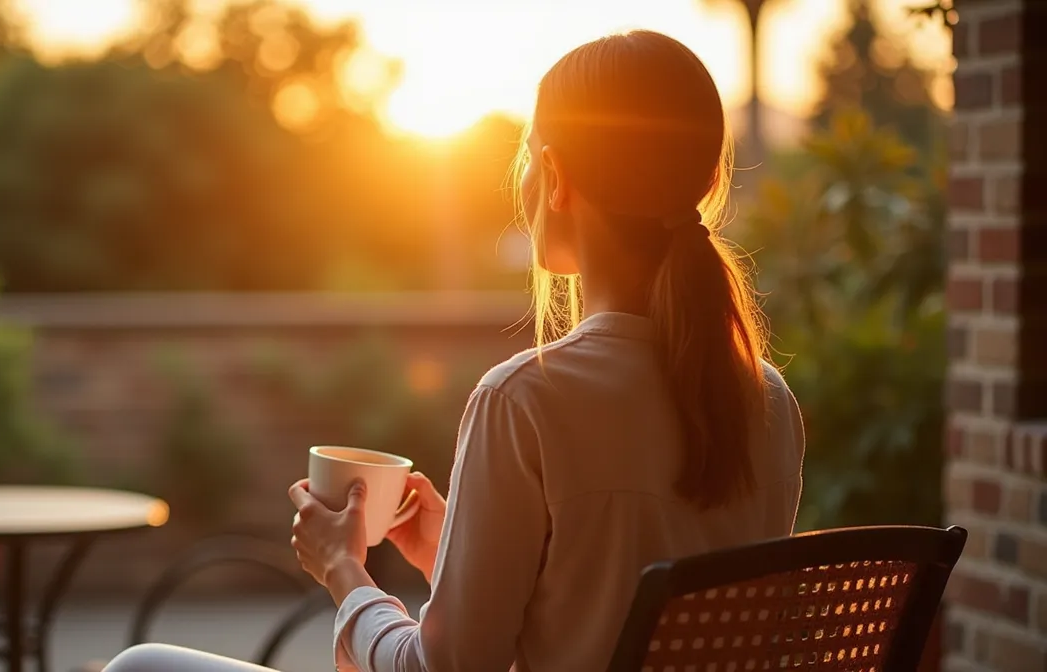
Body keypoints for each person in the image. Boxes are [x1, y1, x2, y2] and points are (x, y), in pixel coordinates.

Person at [104, 29, 804, 672]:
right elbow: (602, 609)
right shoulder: (767, 402)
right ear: (709, 182)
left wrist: (343, 572)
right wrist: (455, 553)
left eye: (529, 157)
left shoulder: (525, 400)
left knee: (142, 668)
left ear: (555, 177)